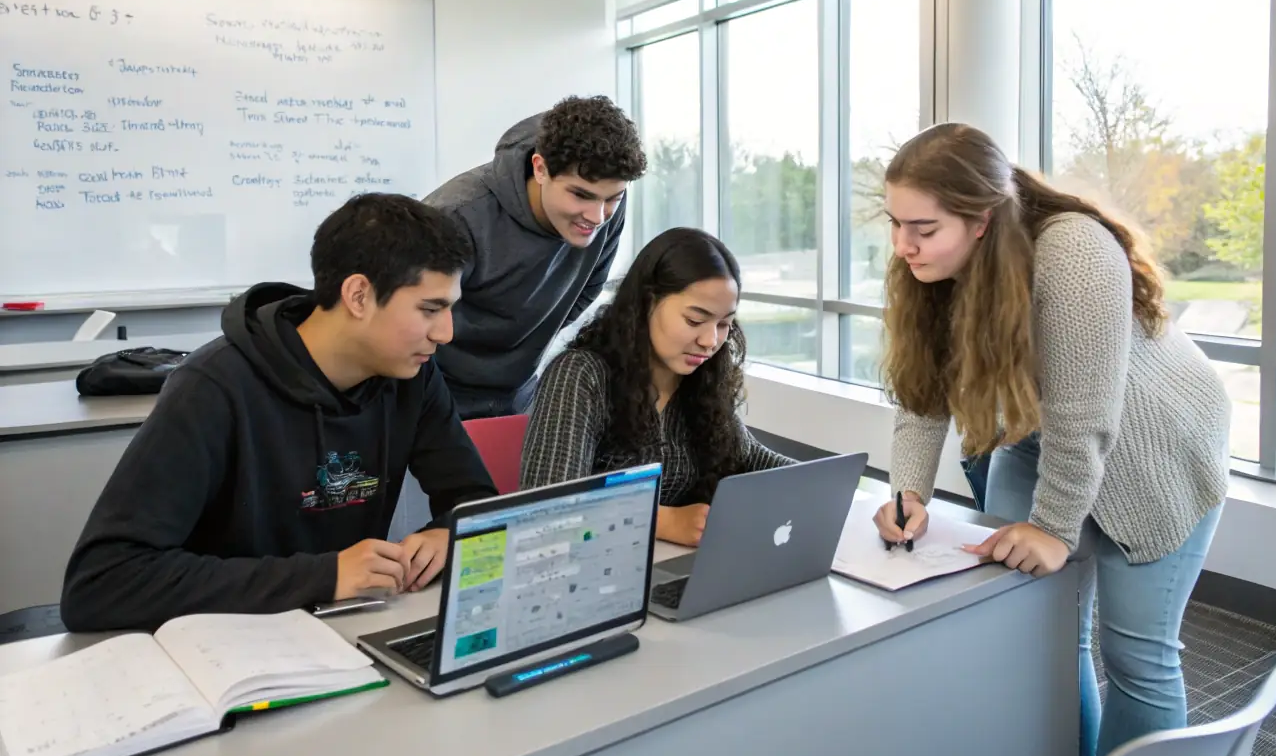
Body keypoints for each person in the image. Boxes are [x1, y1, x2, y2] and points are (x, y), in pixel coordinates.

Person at [871, 123, 1229, 756]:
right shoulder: (928, 268)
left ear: (980, 218)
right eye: (895, 224)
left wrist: (1052, 529)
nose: (903, 245)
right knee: (1044, 640)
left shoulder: (1071, 251)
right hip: (1043, 438)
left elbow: (1084, 416)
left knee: (1136, 656)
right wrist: (907, 492)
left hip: (1159, 450)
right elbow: (922, 393)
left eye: (922, 228)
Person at [61, 194, 498, 633]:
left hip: (342, 633)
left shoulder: (412, 377)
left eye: (450, 308)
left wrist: (449, 533)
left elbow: (477, 503)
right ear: (359, 295)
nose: (446, 333)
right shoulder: (213, 387)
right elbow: (101, 583)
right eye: (429, 309)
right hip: (223, 647)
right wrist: (325, 576)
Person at [519, 227, 795, 547]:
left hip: (668, 569)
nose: (710, 342)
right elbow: (547, 508)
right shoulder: (581, 375)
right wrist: (661, 520)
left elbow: (755, 460)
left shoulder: (700, 384)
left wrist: (833, 487)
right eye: (694, 320)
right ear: (647, 303)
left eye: (724, 324)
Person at [423, 96, 648, 420]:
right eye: (580, 195)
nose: (597, 216)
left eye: (612, 197)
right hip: (432, 395)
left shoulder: (605, 212)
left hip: (518, 396)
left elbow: (588, 289)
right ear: (540, 168)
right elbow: (410, 321)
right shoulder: (456, 215)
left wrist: (524, 346)